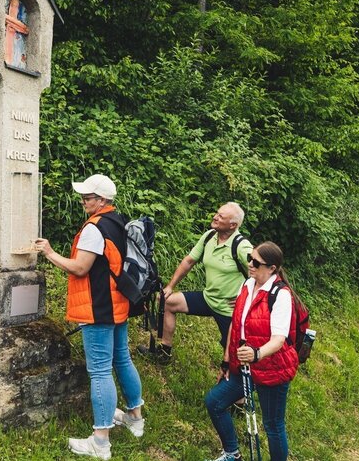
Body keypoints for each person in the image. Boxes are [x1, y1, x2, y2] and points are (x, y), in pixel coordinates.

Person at [35, 174, 145, 460]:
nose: (83, 201)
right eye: (83, 197)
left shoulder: (95, 228)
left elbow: (80, 267)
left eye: (88, 197)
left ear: (102, 200)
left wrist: (49, 253)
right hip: (118, 302)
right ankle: (135, 417)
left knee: (99, 370)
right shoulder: (117, 220)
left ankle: (100, 440)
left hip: (98, 307)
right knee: (121, 358)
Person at [204, 241, 300, 461]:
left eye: (256, 262)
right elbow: (235, 324)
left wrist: (256, 353)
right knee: (215, 402)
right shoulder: (247, 284)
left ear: (272, 268)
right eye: (250, 258)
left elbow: (279, 339)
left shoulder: (281, 295)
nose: (250, 264)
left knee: (273, 425)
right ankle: (232, 454)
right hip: (243, 366)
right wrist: (227, 360)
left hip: (272, 368)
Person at [140, 202, 253, 364]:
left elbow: (262, 272)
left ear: (233, 225)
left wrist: (247, 298)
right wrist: (170, 287)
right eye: (217, 213)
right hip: (208, 299)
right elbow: (189, 261)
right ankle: (164, 352)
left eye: (221, 216)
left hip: (229, 309)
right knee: (169, 302)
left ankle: (232, 378)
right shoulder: (209, 236)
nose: (215, 217)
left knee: (233, 353)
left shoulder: (242, 246)